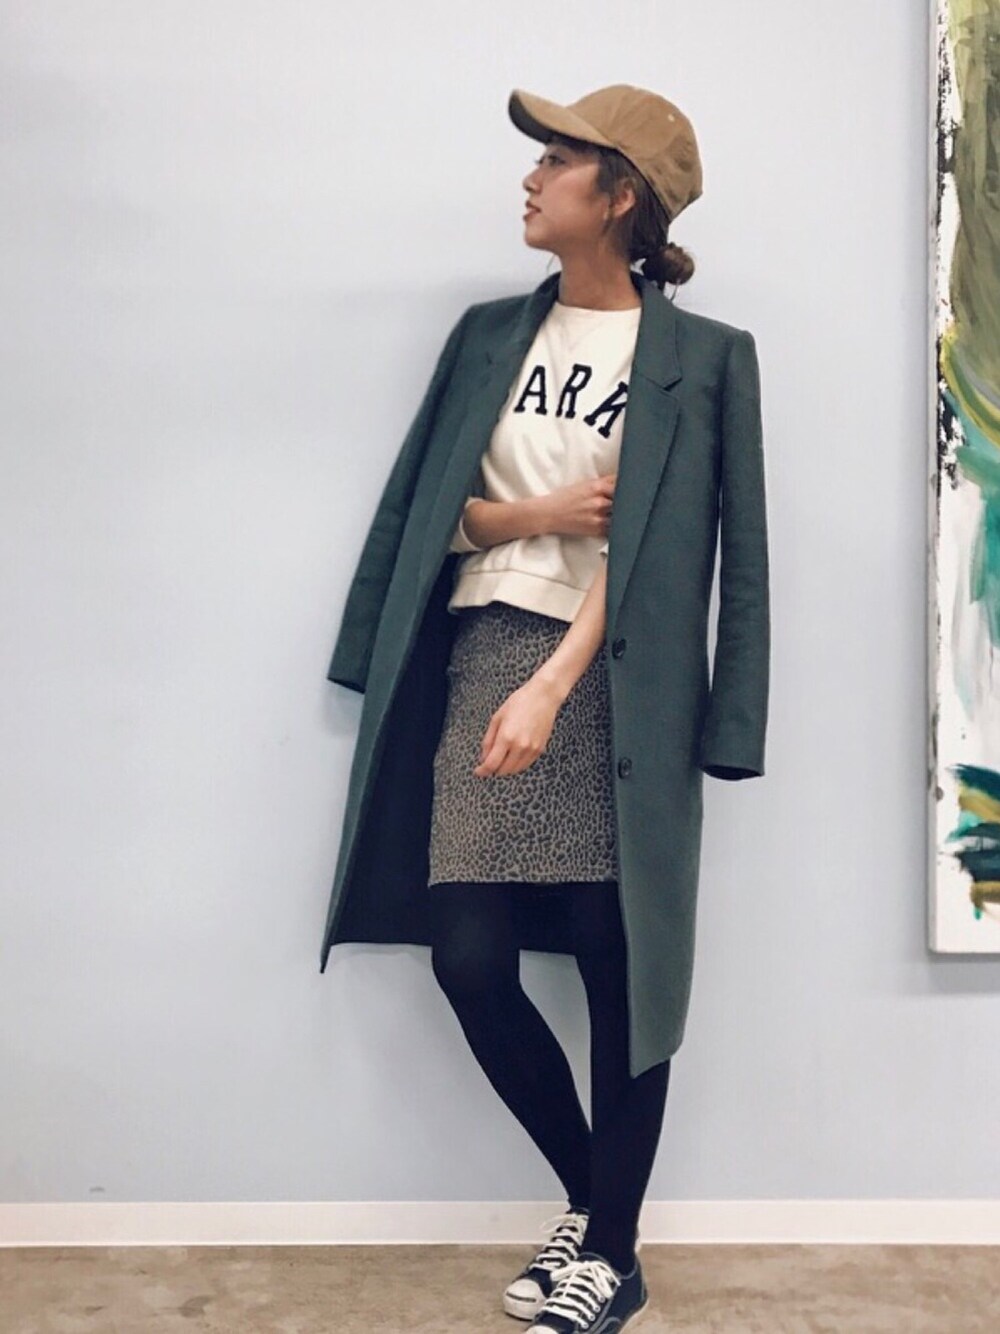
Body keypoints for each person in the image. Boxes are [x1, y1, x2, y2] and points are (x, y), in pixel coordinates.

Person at [423, 85, 705, 1333]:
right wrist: (534, 516)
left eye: (557, 161)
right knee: (470, 958)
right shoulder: (492, 334)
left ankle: (610, 1253)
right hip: (486, 642)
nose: (531, 179)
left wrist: (554, 683)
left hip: (610, 675)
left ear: (620, 194)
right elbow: (437, 513)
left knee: (613, 959)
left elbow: (667, 554)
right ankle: (599, 1214)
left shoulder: (697, 357)